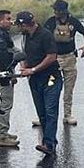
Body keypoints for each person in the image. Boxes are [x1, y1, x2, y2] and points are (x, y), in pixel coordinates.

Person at [14, 11, 61, 158]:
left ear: (24, 24)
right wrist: (24, 67)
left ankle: (48, 143)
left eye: (19, 25)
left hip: (50, 77)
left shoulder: (45, 35)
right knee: (41, 111)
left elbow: (52, 56)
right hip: (34, 79)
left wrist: (33, 69)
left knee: (50, 110)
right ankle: (50, 138)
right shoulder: (26, 37)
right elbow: (24, 54)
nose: (18, 28)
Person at [43, 0, 84, 126]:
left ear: (63, 11)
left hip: (69, 58)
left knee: (69, 88)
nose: (55, 12)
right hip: (54, 60)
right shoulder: (50, 22)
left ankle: (67, 114)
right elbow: (42, 36)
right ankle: (45, 115)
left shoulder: (73, 21)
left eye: (56, 10)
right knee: (50, 87)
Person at [0, 9, 21, 148]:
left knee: (4, 103)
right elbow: (2, 56)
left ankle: (4, 132)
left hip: (4, 69)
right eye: (8, 19)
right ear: (0, 20)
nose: (10, 21)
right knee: (5, 104)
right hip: (3, 71)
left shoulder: (0, 33)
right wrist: (9, 74)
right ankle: (2, 135)